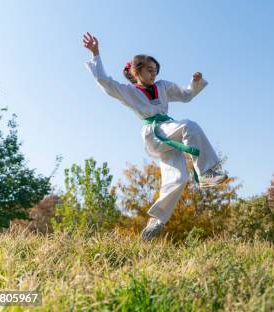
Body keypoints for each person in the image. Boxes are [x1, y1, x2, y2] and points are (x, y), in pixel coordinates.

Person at [82, 32, 227, 240]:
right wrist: (96, 53)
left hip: (168, 131)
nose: (153, 74)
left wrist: (194, 83)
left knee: (179, 178)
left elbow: (186, 96)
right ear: (136, 71)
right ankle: (206, 172)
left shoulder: (163, 86)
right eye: (149, 70)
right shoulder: (129, 91)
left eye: (155, 71)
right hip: (155, 132)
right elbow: (105, 81)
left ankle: (155, 221)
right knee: (189, 126)